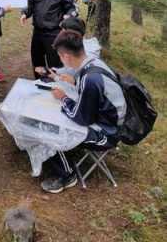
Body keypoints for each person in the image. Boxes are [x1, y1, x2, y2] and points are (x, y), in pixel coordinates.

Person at [40, 29, 127, 193]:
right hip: (107, 119)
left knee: (51, 129)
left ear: (66, 56)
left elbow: (80, 118)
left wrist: (63, 98)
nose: (60, 59)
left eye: (59, 56)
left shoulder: (90, 79)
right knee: (60, 116)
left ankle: (67, 175)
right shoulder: (92, 62)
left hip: (108, 133)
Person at [20, 0, 78, 78]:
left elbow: (73, 9)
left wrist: (68, 17)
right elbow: (29, 5)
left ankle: (56, 88)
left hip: (55, 34)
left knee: (55, 65)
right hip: (38, 33)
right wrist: (25, 14)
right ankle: (39, 84)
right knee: (37, 63)